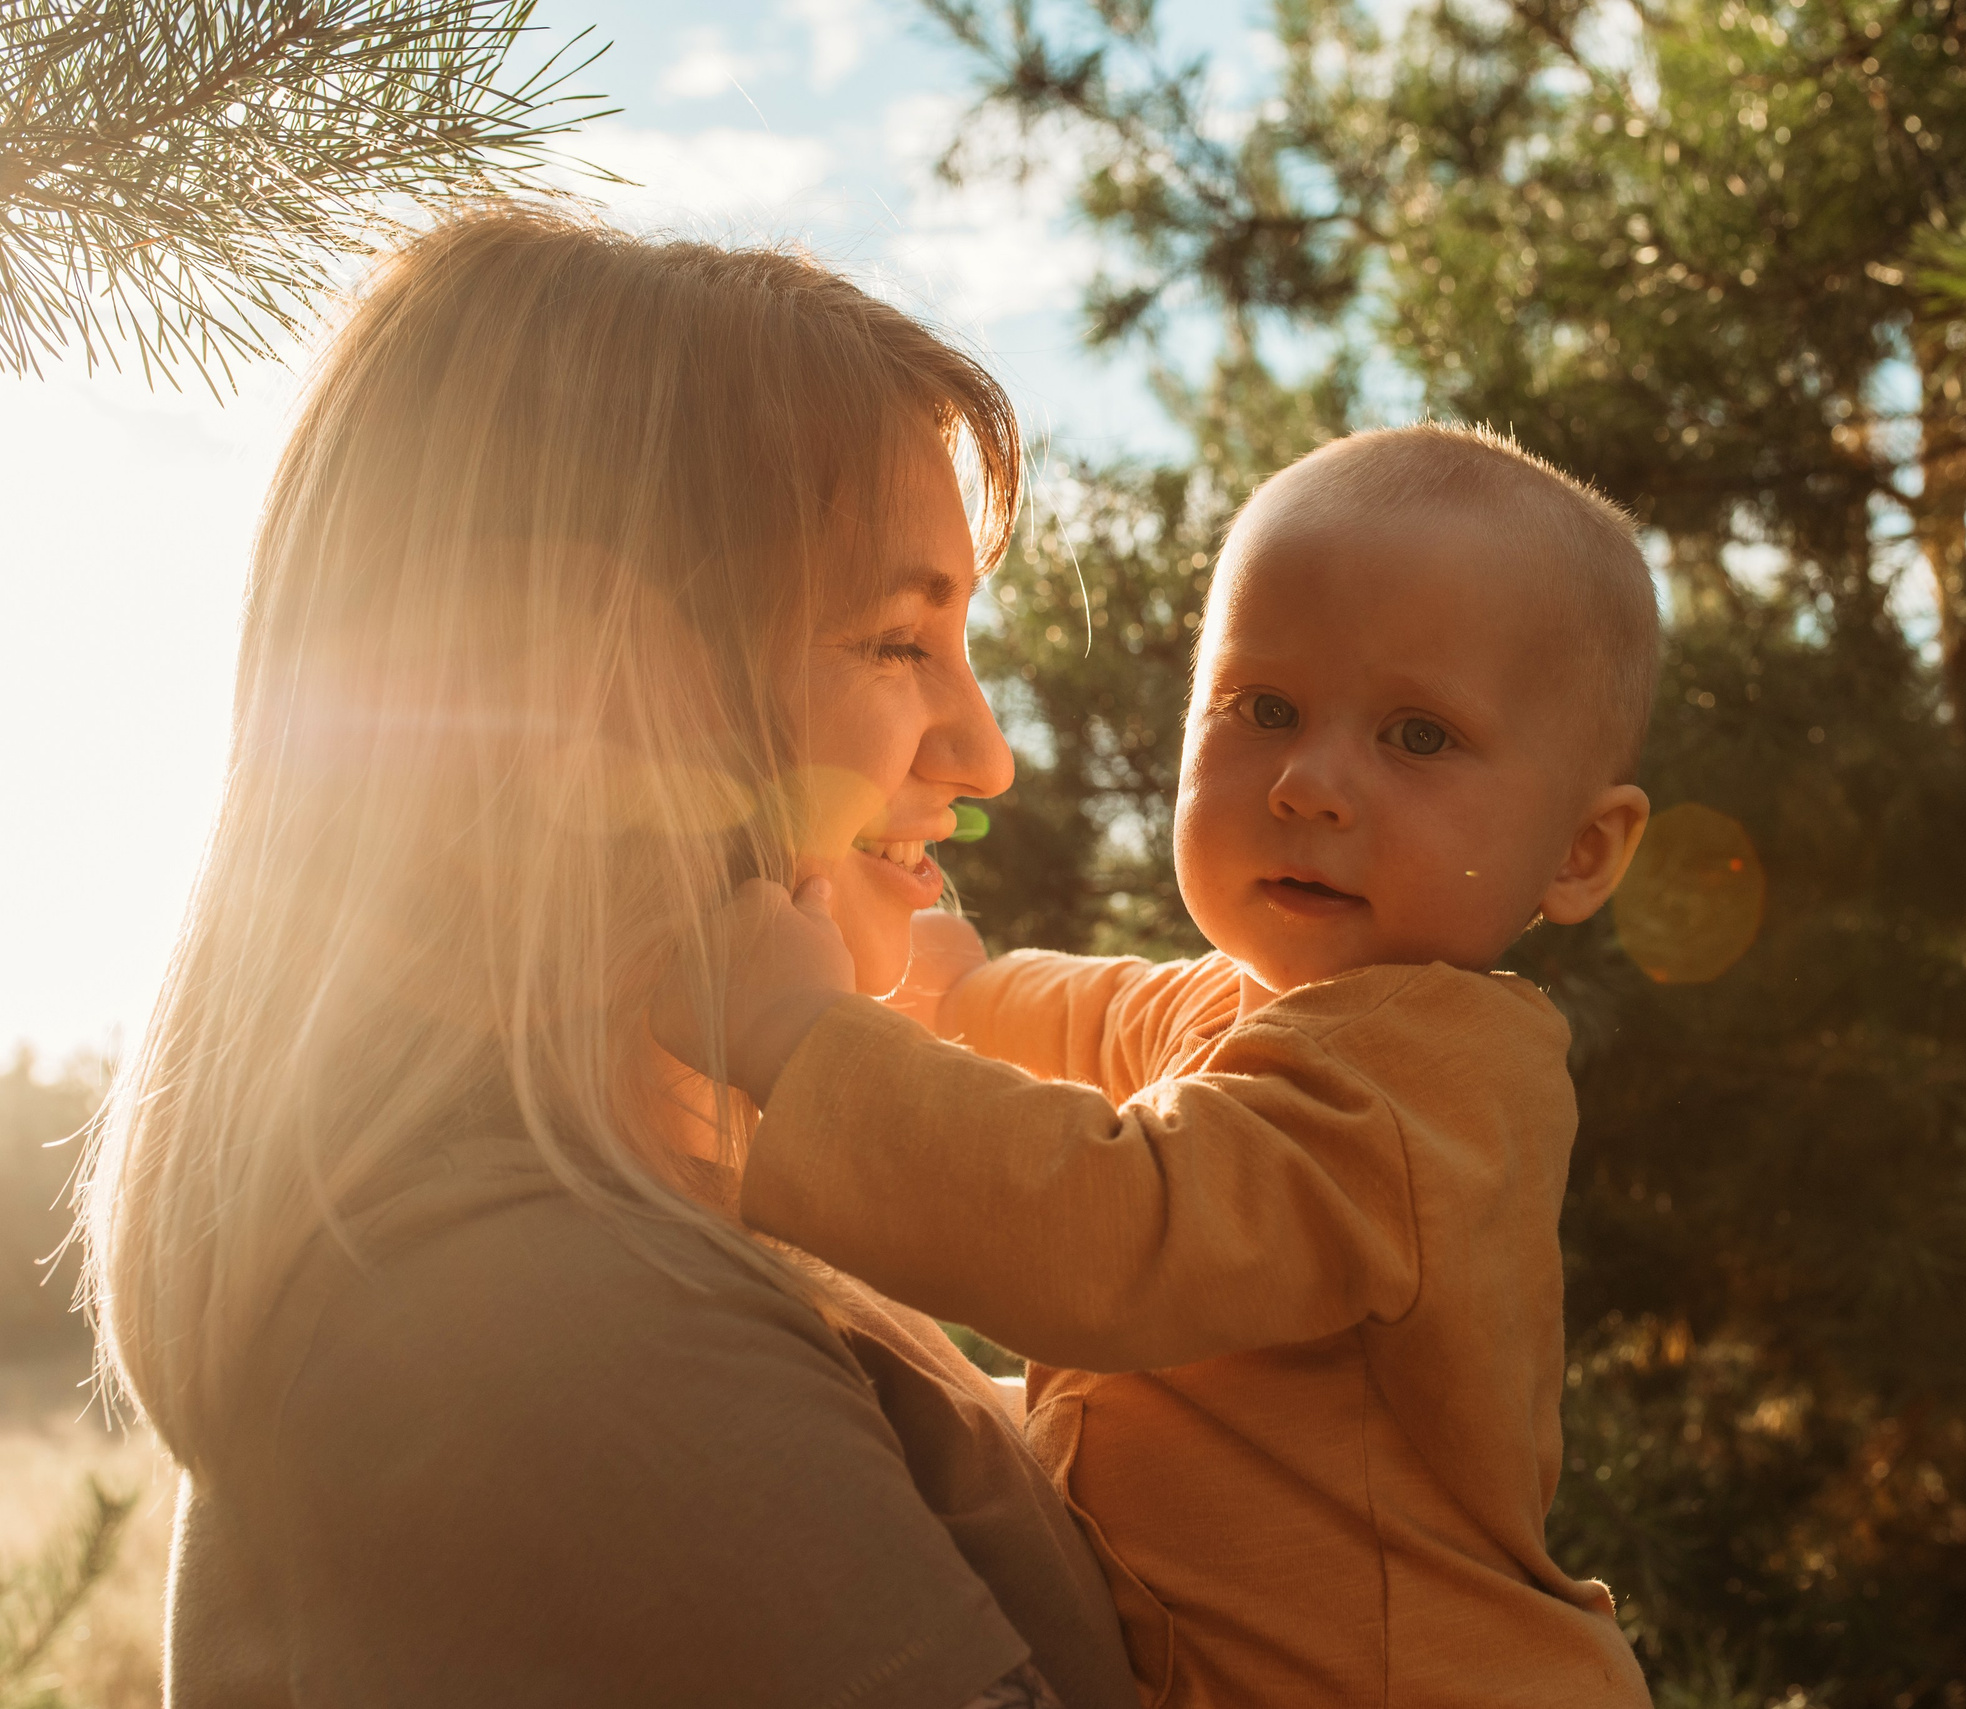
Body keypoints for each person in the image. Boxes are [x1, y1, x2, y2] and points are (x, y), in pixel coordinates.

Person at [76, 207, 1139, 1709]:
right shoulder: (550, 1332)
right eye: (902, 644)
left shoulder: (578, 1279)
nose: (986, 751)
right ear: (574, 696)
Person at [661, 424, 1662, 1706]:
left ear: (1580, 850)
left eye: (1417, 736)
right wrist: (952, 989)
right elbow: (1092, 1019)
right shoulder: (1259, 1014)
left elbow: (1112, 1227)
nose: (1308, 782)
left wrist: (798, 1039)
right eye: (1264, 708)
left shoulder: (1438, 1077)